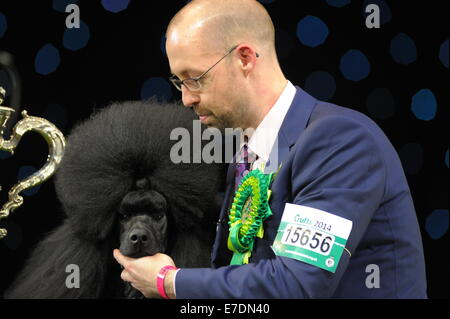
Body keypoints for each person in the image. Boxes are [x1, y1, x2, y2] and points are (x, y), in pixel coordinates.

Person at [113, 0, 427, 298]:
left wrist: (168, 281)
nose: (186, 99)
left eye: (195, 78)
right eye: (178, 83)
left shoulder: (340, 141)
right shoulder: (248, 152)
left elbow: (297, 284)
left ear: (245, 58)